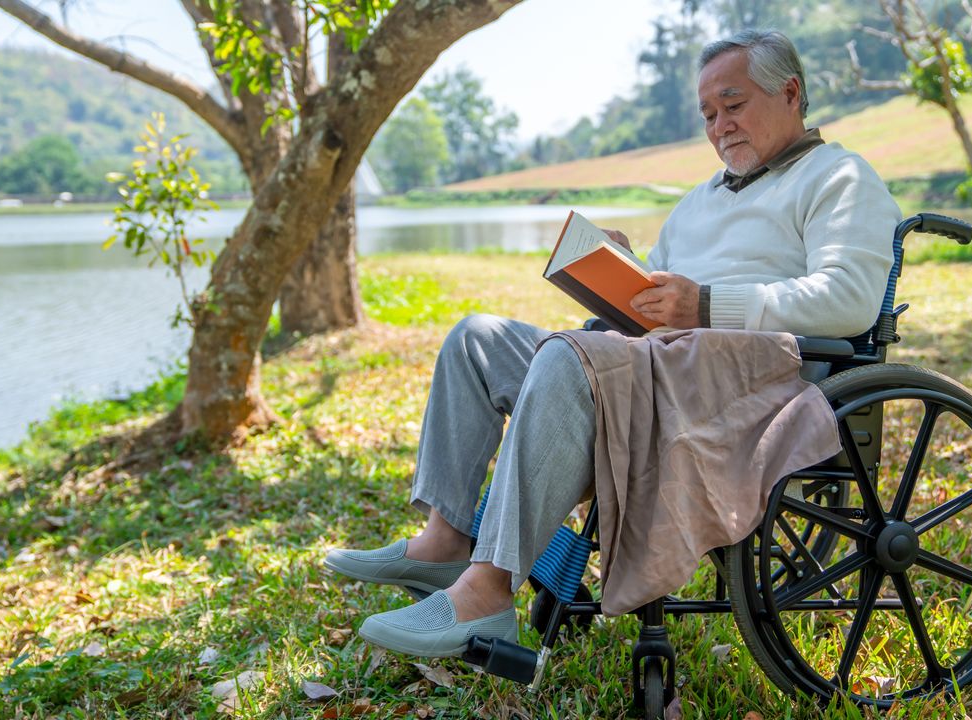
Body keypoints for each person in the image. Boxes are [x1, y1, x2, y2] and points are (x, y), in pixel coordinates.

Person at [324, 29, 901, 658]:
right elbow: (666, 294)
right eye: (708, 114)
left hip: (750, 385)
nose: (719, 126)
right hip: (653, 363)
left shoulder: (838, 176)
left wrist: (703, 304)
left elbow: (848, 301)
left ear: (790, 93)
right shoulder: (699, 201)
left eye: (733, 106)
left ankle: (487, 595)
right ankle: (445, 540)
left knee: (568, 359)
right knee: (476, 339)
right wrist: (630, 279)